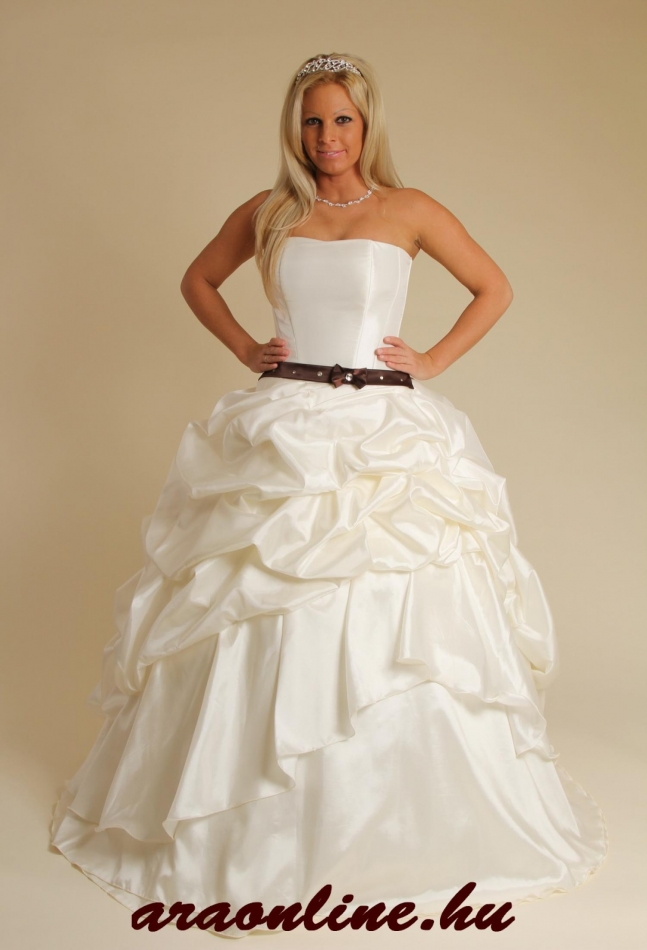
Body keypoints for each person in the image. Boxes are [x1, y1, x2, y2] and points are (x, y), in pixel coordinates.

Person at [49, 52, 608, 939]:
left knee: (397, 615)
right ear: (294, 129)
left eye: (341, 119)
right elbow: (197, 280)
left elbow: (493, 288)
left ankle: (394, 823)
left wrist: (431, 359)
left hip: (386, 429)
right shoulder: (269, 212)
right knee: (260, 602)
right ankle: (245, 821)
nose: (326, 136)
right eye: (312, 121)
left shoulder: (410, 209)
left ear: (366, 123)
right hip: (285, 423)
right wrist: (244, 346)